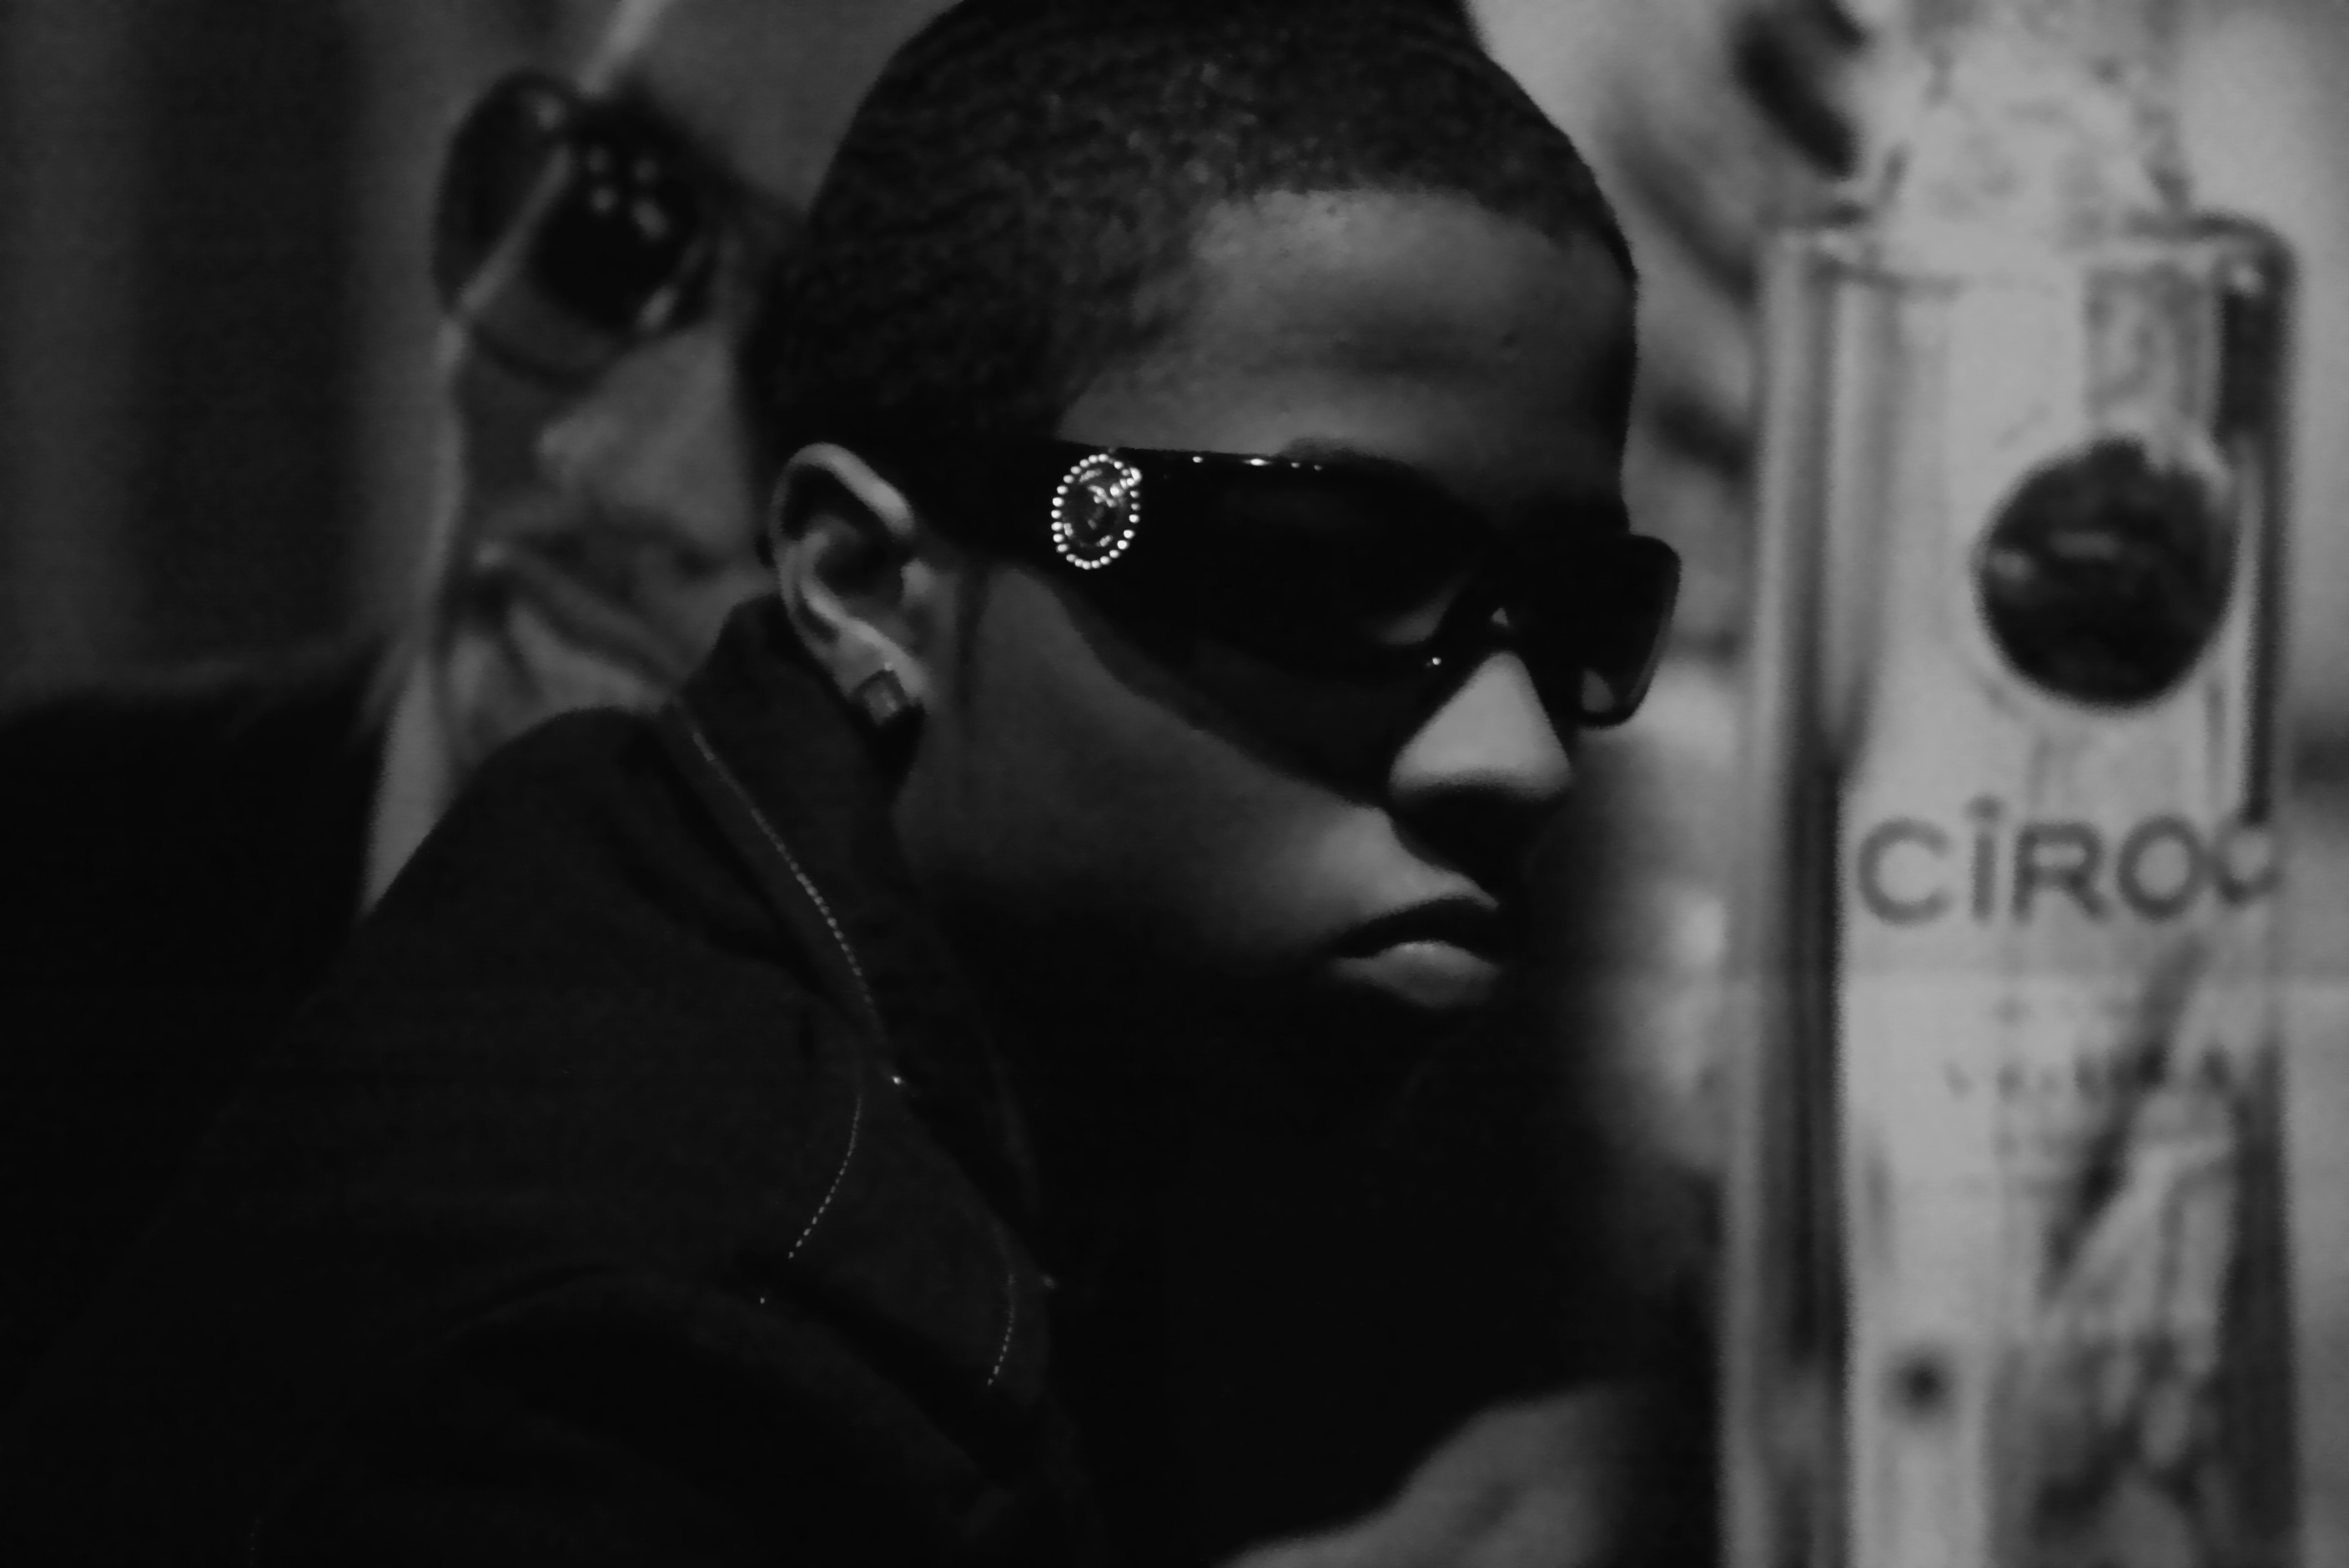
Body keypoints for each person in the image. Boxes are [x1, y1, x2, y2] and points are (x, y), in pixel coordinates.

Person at [0, 0, 1694, 1561]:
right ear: (861, 575)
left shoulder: (839, 960)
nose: (604, 458)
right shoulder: (630, 1368)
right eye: (611, 219)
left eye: (1578, 618)